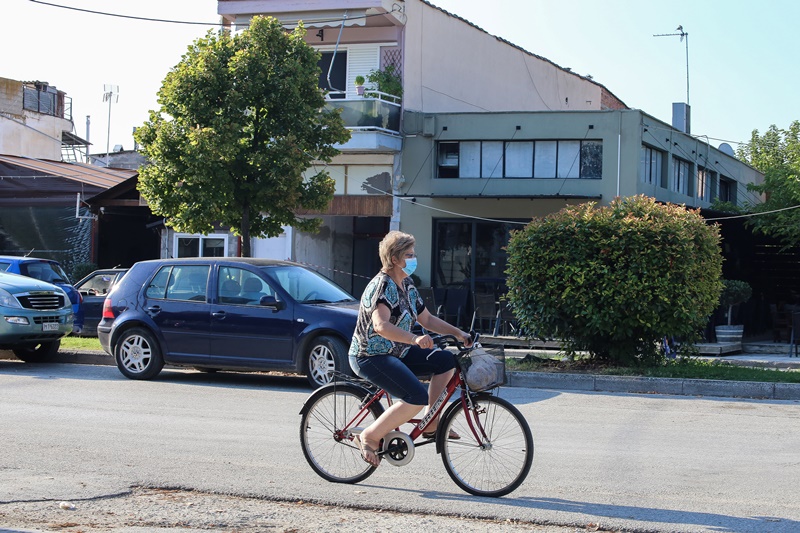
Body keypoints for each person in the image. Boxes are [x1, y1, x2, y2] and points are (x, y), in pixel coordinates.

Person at [348, 230, 472, 467]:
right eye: (409, 254)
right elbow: (381, 326)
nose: (414, 259)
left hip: (397, 351)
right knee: (415, 396)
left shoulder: (407, 283)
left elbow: (427, 320)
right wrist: (414, 340)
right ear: (395, 259)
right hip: (370, 355)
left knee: (446, 361)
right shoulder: (382, 286)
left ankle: (431, 421)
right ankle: (369, 436)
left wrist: (458, 332)